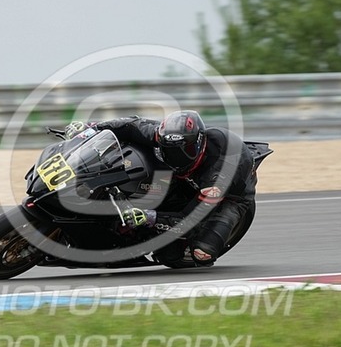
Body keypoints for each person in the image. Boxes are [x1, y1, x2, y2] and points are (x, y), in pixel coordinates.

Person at [68, 110, 257, 267]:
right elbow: (130, 125)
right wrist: (90, 129)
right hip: (185, 177)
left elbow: (190, 219)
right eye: (168, 150)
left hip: (230, 198)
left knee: (201, 253)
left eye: (184, 151)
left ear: (200, 143)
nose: (176, 157)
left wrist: (151, 217)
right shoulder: (163, 135)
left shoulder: (216, 178)